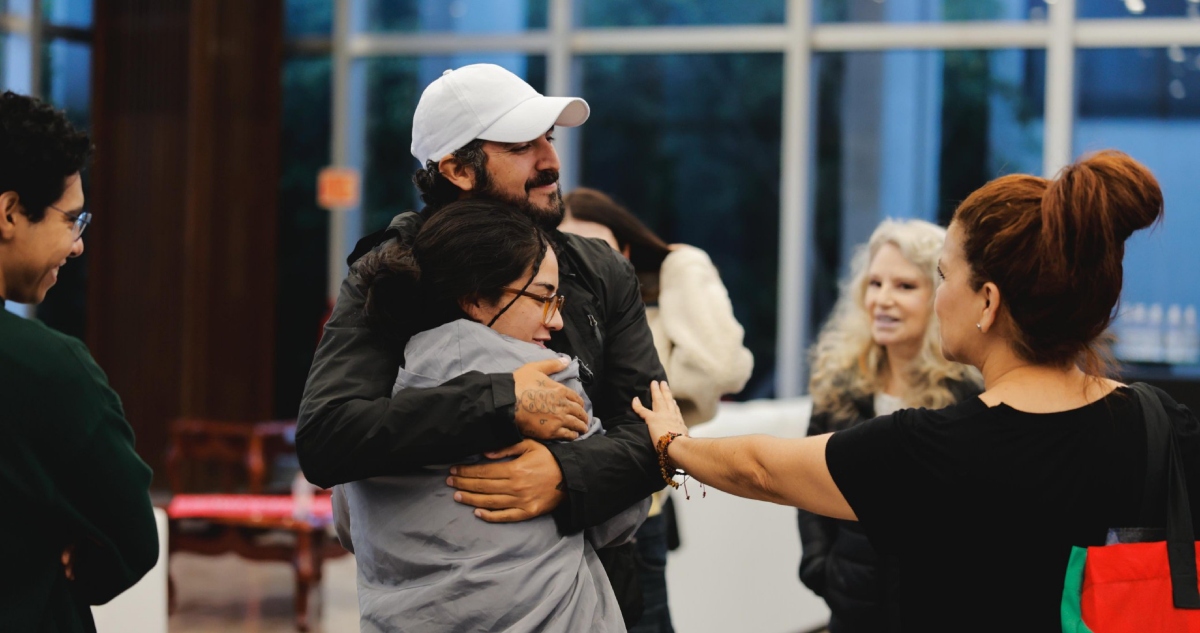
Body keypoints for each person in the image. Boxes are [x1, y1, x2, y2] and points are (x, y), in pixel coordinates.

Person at [634, 150, 1200, 631]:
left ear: (988, 302)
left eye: (943, 276)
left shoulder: (935, 446)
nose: (937, 297)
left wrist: (673, 445)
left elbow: (762, 469)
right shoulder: (1161, 422)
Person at [297, 64, 666, 624]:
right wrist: (501, 401)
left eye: (549, 138)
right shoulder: (394, 272)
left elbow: (656, 435)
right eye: (521, 146)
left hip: (594, 601)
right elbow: (327, 438)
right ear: (457, 170)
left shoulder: (600, 270)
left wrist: (565, 475)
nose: (551, 161)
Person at [332, 199, 648, 632]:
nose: (557, 321)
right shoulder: (545, 383)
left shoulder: (375, 386)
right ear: (476, 298)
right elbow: (619, 516)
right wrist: (658, 443)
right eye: (543, 297)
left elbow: (348, 526)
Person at [561, 187, 753, 633]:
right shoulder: (544, 318)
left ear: (625, 252)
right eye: (569, 249)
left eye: (597, 247)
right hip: (562, 513)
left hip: (637, 511)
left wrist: (682, 264)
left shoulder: (648, 320)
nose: (584, 261)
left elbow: (724, 368)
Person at [0, 91, 159, 632]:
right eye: (72, 219)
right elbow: (132, 539)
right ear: (9, 213)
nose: (77, 246)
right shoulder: (47, 369)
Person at [797, 218, 981, 632]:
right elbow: (806, 486)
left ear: (942, 296)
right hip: (850, 611)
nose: (882, 300)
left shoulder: (969, 394)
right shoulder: (838, 385)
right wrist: (820, 568)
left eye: (904, 286)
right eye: (875, 283)